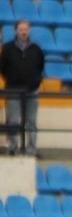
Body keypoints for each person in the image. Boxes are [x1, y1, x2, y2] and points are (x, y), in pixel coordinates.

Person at [0, 20, 44, 155]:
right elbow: (2, 68)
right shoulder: (7, 49)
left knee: (31, 121)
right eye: (21, 29)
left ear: (29, 30)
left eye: (25, 29)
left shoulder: (36, 49)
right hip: (13, 90)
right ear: (16, 31)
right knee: (13, 120)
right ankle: (13, 147)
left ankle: (31, 148)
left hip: (32, 91)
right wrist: (12, 80)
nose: (23, 32)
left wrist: (36, 82)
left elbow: (40, 67)